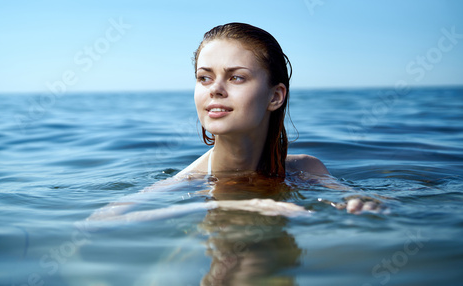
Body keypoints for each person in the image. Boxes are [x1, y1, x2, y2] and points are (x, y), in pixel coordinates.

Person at [87, 22, 381, 225]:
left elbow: (354, 200)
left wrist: (363, 203)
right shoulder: (189, 181)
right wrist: (231, 205)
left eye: (236, 77)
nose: (215, 89)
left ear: (275, 96)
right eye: (204, 77)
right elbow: (99, 221)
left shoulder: (306, 170)